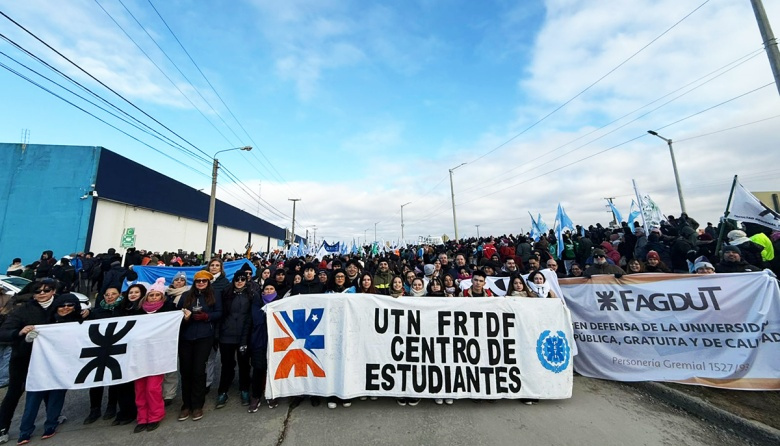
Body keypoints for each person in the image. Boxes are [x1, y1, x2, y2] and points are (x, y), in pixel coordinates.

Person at [16, 294, 84, 444]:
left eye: (70, 305)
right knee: (33, 400)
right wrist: (27, 336)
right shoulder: (44, 323)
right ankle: (25, 431)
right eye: (62, 305)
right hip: (40, 367)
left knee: (56, 398)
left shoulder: (80, 323)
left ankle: (51, 425)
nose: (66, 308)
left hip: (63, 368)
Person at [0, 280, 58, 443]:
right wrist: (19, 332)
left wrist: (84, 314)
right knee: (14, 392)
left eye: (46, 290)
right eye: (38, 291)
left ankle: (54, 417)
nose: (42, 293)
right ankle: (2, 427)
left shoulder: (61, 304)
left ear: (53, 291)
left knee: (51, 387)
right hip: (23, 357)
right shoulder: (22, 310)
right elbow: (3, 332)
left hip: (51, 358)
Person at [84, 287, 136, 426]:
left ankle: (111, 406)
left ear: (119, 295)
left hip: (117, 349)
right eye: (107, 294)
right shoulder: (96, 312)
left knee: (114, 378)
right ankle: (94, 409)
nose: (110, 297)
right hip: (99, 349)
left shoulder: (124, 309)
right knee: (96, 380)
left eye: (113, 294)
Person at [176, 270, 222, 422]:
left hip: (204, 336)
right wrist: (186, 318)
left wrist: (207, 316)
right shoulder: (186, 296)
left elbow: (220, 313)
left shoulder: (214, 296)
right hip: (186, 337)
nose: (201, 283)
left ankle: (197, 405)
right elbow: (177, 315)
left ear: (208, 282)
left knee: (198, 371)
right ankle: (186, 404)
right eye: (198, 281)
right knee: (186, 371)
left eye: (204, 281)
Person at [133, 278, 176, 433]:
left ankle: (155, 415)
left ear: (162, 297)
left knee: (153, 387)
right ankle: (142, 417)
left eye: (157, 295)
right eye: (151, 295)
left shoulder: (167, 311)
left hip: (158, 354)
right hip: (139, 355)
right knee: (140, 388)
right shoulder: (137, 311)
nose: (153, 298)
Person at [216, 273, 254, 410]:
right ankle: (223, 391)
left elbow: (250, 316)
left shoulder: (251, 294)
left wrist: (247, 334)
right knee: (226, 364)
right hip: (227, 334)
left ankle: (244, 389)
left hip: (243, 335)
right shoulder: (226, 294)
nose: (239, 281)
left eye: (242, 279)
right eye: (237, 279)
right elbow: (220, 313)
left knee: (244, 364)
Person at [248, 283, 281, 412]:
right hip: (259, 341)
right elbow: (256, 320)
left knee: (272, 369)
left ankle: (272, 394)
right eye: (266, 289)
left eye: (271, 288)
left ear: (275, 290)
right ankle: (256, 396)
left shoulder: (281, 302)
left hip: (275, 342)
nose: (268, 290)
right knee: (258, 369)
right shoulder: (256, 303)